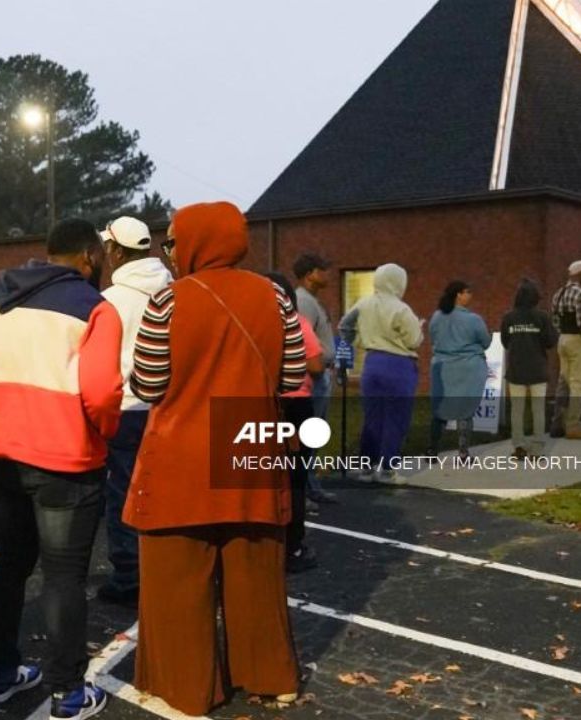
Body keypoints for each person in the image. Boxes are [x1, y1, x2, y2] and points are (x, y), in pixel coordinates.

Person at [127, 201, 304, 716]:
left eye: (174, 242)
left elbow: (149, 384)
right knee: (257, 573)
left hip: (183, 444)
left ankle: (189, 688)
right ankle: (272, 678)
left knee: (177, 580)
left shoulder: (168, 301)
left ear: (197, 242)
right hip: (249, 436)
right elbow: (292, 377)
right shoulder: (273, 295)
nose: (171, 252)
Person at [0, 218, 123, 720]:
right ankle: (68, 692)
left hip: (0, 453)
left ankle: (0, 674)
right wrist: (104, 433)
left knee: (9, 563)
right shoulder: (96, 309)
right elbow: (101, 393)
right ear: (90, 256)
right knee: (63, 577)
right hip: (66, 460)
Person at [97, 215, 173, 607]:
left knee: (122, 492)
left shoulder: (111, 300)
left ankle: (128, 575)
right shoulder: (172, 290)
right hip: (166, 407)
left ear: (116, 250)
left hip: (126, 407)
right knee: (161, 491)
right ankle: (162, 567)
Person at [267, 272, 326, 574]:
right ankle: (294, 546)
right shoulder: (298, 322)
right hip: (296, 404)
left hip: (260, 406)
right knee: (295, 478)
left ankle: (266, 545)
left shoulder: (254, 324)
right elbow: (316, 364)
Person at [353, 263, 424, 482]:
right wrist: (419, 328)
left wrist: (361, 341)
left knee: (372, 417)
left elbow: (347, 327)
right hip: (398, 365)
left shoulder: (362, 304)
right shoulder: (401, 309)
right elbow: (414, 340)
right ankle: (386, 470)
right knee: (396, 418)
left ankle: (365, 467)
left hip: (371, 362)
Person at [293, 252, 339, 505]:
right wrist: (317, 369)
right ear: (310, 273)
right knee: (308, 435)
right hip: (314, 377)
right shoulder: (305, 302)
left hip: (323, 374)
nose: (328, 274)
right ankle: (304, 490)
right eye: (323, 269)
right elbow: (302, 340)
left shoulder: (312, 300)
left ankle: (310, 486)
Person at [428, 281, 490, 459]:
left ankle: (432, 449)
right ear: (458, 295)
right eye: (467, 292)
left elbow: (433, 339)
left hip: (442, 368)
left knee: (439, 410)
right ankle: (463, 452)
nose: (470, 295)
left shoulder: (436, 317)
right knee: (465, 410)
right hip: (468, 369)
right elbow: (485, 342)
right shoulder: (473, 319)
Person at [500, 279, 558, 458]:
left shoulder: (509, 317)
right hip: (538, 369)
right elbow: (550, 341)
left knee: (516, 410)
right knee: (538, 409)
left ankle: (518, 446)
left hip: (516, 369)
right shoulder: (542, 317)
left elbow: (505, 342)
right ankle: (537, 449)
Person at [551, 260, 581, 440]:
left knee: (564, 381)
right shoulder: (580, 294)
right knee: (578, 384)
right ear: (579, 274)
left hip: (563, 338)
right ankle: (573, 425)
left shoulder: (558, 293)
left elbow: (555, 319)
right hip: (578, 340)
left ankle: (559, 421)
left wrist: (563, 334)